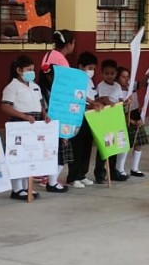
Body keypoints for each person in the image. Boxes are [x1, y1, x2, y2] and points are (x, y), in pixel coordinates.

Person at [1, 55, 67, 200]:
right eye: (28, 70)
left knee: (31, 155)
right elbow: (5, 106)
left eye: (33, 69)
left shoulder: (35, 87)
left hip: (35, 123)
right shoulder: (11, 87)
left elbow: (40, 105)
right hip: (21, 123)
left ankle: (26, 186)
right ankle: (17, 189)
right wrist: (23, 116)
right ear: (19, 70)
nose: (31, 72)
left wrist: (45, 115)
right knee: (19, 155)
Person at [38, 29, 74, 182]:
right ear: (70, 44)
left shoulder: (49, 55)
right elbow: (64, 87)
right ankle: (51, 179)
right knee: (61, 146)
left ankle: (45, 174)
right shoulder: (62, 61)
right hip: (57, 106)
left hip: (46, 104)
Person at [68, 52, 104, 187]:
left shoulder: (89, 80)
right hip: (77, 116)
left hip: (90, 115)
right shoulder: (75, 78)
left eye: (93, 68)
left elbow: (93, 96)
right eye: (89, 68)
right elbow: (79, 97)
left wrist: (98, 103)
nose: (91, 71)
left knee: (87, 146)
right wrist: (91, 104)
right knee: (77, 147)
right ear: (81, 66)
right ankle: (73, 176)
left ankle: (82, 173)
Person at [95, 58, 128, 182]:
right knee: (104, 146)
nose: (109, 76)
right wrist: (106, 101)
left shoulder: (118, 86)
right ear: (102, 73)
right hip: (105, 119)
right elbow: (99, 99)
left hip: (116, 118)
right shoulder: (100, 86)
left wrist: (125, 103)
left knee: (115, 146)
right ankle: (100, 173)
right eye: (107, 73)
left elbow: (120, 101)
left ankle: (113, 171)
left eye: (112, 74)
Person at [116, 66, 147, 177]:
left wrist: (148, 74)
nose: (126, 79)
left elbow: (142, 83)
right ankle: (120, 168)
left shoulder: (130, 86)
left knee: (138, 143)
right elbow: (120, 111)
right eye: (123, 77)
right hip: (125, 116)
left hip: (135, 113)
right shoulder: (117, 90)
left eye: (128, 77)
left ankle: (135, 168)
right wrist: (132, 121)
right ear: (117, 77)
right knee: (125, 144)